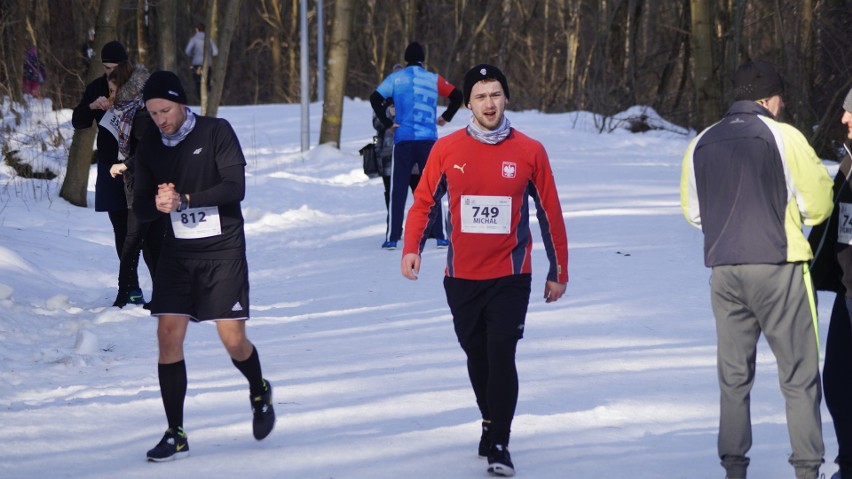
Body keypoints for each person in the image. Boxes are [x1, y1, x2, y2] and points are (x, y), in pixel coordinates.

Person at [400, 64, 568, 477]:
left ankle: (500, 441)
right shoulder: (447, 149)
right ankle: (489, 419)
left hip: (512, 274)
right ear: (469, 103)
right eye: (480, 96)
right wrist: (411, 247)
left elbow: (550, 213)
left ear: (505, 98)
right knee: (476, 354)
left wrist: (558, 269)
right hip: (461, 276)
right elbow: (423, 203)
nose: (489, 103)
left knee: (501, 351)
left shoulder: (530, 151)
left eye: (495, 94)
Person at [680, 60, 833, 479]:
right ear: (767, 99)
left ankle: (734, 468)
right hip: (779, 268)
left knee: (733, 377)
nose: (782, 105)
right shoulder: (785, 137)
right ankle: (807, 469)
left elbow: (694, 212)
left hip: (725, 271)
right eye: (780, 97)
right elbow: (819, 205)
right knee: (799, 376)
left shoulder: (702, 142)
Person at [132, 71, 275, 462]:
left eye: (165, 109)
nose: (160, 118)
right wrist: (157, 206)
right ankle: (175, 432)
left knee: (232, 341)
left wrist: (186, 199)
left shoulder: (216, 131)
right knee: (167, 335)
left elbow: (235, 188)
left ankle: (259, 388)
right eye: (153, 112)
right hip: (177, 254)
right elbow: (140, 205)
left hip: (222, 251)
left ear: (182, 103)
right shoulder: (148, 145)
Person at [72, 40, 147, 305]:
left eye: (115, 68)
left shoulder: (140, 86)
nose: (109, 73)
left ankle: (162, 285)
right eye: (105, 67)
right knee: (119, 228)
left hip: (136, 165)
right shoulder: (97, 87)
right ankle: (131, 285)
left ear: (126, 66)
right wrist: (92, 106)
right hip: (108, 165)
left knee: (140, 229)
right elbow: (78, 121)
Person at [370, 41, 463, 250]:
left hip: (403, 139)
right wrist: (446, 117)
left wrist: (387, 123)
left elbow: (374, 98)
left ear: (406, 58)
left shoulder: (396, 78)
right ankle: (440, 235)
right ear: (423, 59)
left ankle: (392, 237)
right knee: (434, 187)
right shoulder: (433, 79)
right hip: (428, 141)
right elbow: (457, 95)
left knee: (398, 190)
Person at [808, 87, 852, 479]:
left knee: (841, 383)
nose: (843, 118)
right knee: (838, 384)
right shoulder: (849, 164)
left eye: (850, 111)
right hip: (847, 290)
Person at [105, 61, 167, 308]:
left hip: (144, 187)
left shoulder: (139, 115)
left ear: (123, 88)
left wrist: (124, 165)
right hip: (155, 185)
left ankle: (122, 296)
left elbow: (147, 152)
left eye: (112, 91)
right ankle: (164, 295)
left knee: (132, 243)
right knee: (153, 244)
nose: (110, 97)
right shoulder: (142, 109)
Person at [184, 22, 218, 101]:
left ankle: (200, 101)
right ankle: (209, 100)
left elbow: (187, 51)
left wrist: (193, 54)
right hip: (207, 64)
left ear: (196, 29)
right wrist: (209, 54)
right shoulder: (209, 39)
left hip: (196, 64)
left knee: (198, 83)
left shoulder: (194, 39)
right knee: (207, 82)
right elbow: (215, 52)